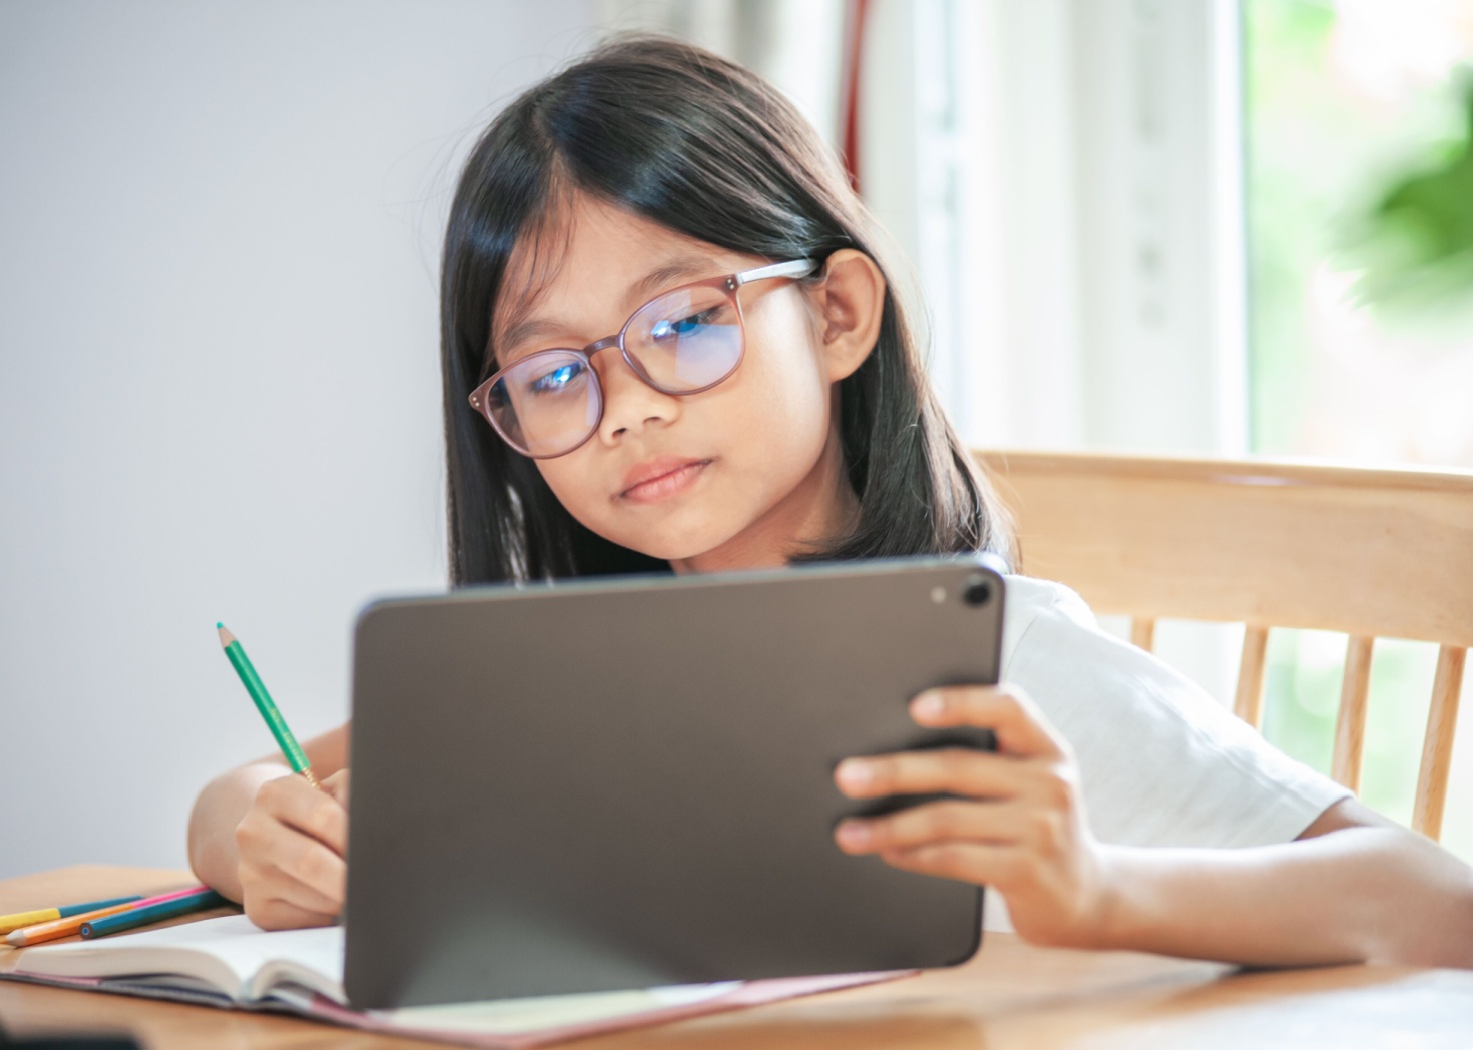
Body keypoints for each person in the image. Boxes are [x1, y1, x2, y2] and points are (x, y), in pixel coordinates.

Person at [188, 35, 1473, 967]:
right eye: (553, 371)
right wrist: (259, 827)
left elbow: (1434, 904)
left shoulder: (1001, 662)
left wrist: (1101, 890)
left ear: (838, 312)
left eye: (685, 324)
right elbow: (244, 786)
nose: (626, 405)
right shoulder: (562, 684)